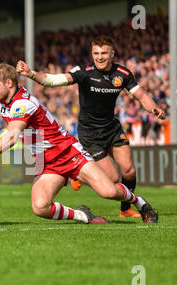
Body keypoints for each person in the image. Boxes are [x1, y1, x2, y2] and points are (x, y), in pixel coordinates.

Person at [0, 63, 159, 224]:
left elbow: (11, 136)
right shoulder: (1, 102)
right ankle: (83, 216)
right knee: (40, 207)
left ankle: (139, 202)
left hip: (68, 152)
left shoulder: (23, 104)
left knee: (108, 191)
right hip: (47, 162)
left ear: (9, 82)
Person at [16, 35, 166, 218]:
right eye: (96, 53)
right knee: (110, 179)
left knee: (129, 170)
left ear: (112, 53)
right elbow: (53, 81)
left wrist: (154, 108)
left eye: (104, 53)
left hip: (112, 127)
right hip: (90, 133)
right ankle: (76, 174)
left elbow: (141, 95)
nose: (100, 57)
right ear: (92, 54)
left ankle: (125, 209)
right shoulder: (84, 72)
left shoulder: (123, 74)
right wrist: (31, 74)